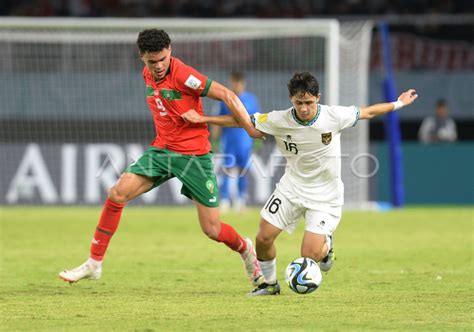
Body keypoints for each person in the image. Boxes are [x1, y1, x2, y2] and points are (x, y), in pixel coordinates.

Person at [59, 29, 264, 287]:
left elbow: (227, 95)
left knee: (212, 229)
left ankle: (245, 248)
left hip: (193, 156)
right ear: (142, 58)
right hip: (162, 151)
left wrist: (248, 127)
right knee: (117, 193)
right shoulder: (148, 73)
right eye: (152, 61)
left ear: (170, 51)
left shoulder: (184, 75)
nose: (158, 66)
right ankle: (94, 263)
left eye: (163, 59)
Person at [182, 72, 418, 295]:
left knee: (309, 255)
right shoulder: (278, 119)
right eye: (298, 103)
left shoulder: (334, 116)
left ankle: (326, 250)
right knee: (263, 238)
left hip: (325, 195)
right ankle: (270, 285)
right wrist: (203, 118)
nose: (304, 108)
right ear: (291, 100)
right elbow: (240, 121)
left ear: (318, 98)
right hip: (291, 187)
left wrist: (398, 103)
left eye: (308, 103)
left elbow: (368, 112)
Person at [214, 72, 260, 212]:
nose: (236, 85)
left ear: (242, 83)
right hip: (228, 142)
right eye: (234, 82)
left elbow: (258, 120)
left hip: (245, 142)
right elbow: (217, 120)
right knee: (227, 170)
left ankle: (240, 200)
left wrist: (258, 140)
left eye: (238, 82)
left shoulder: (251, 100)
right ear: (231, 82)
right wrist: (215, 139)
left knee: (243, 171)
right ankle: (225, 200)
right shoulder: (225, 99)